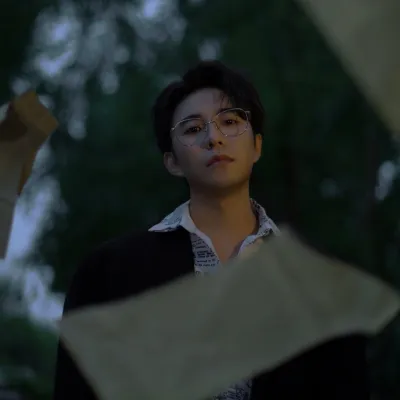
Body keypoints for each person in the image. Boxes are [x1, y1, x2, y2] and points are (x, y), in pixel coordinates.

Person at [53, 61, 370, 400]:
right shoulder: (109, 273)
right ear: (172, 161)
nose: (213, 138)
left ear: (257, 146)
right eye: (192, 129)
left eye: (230, 122)